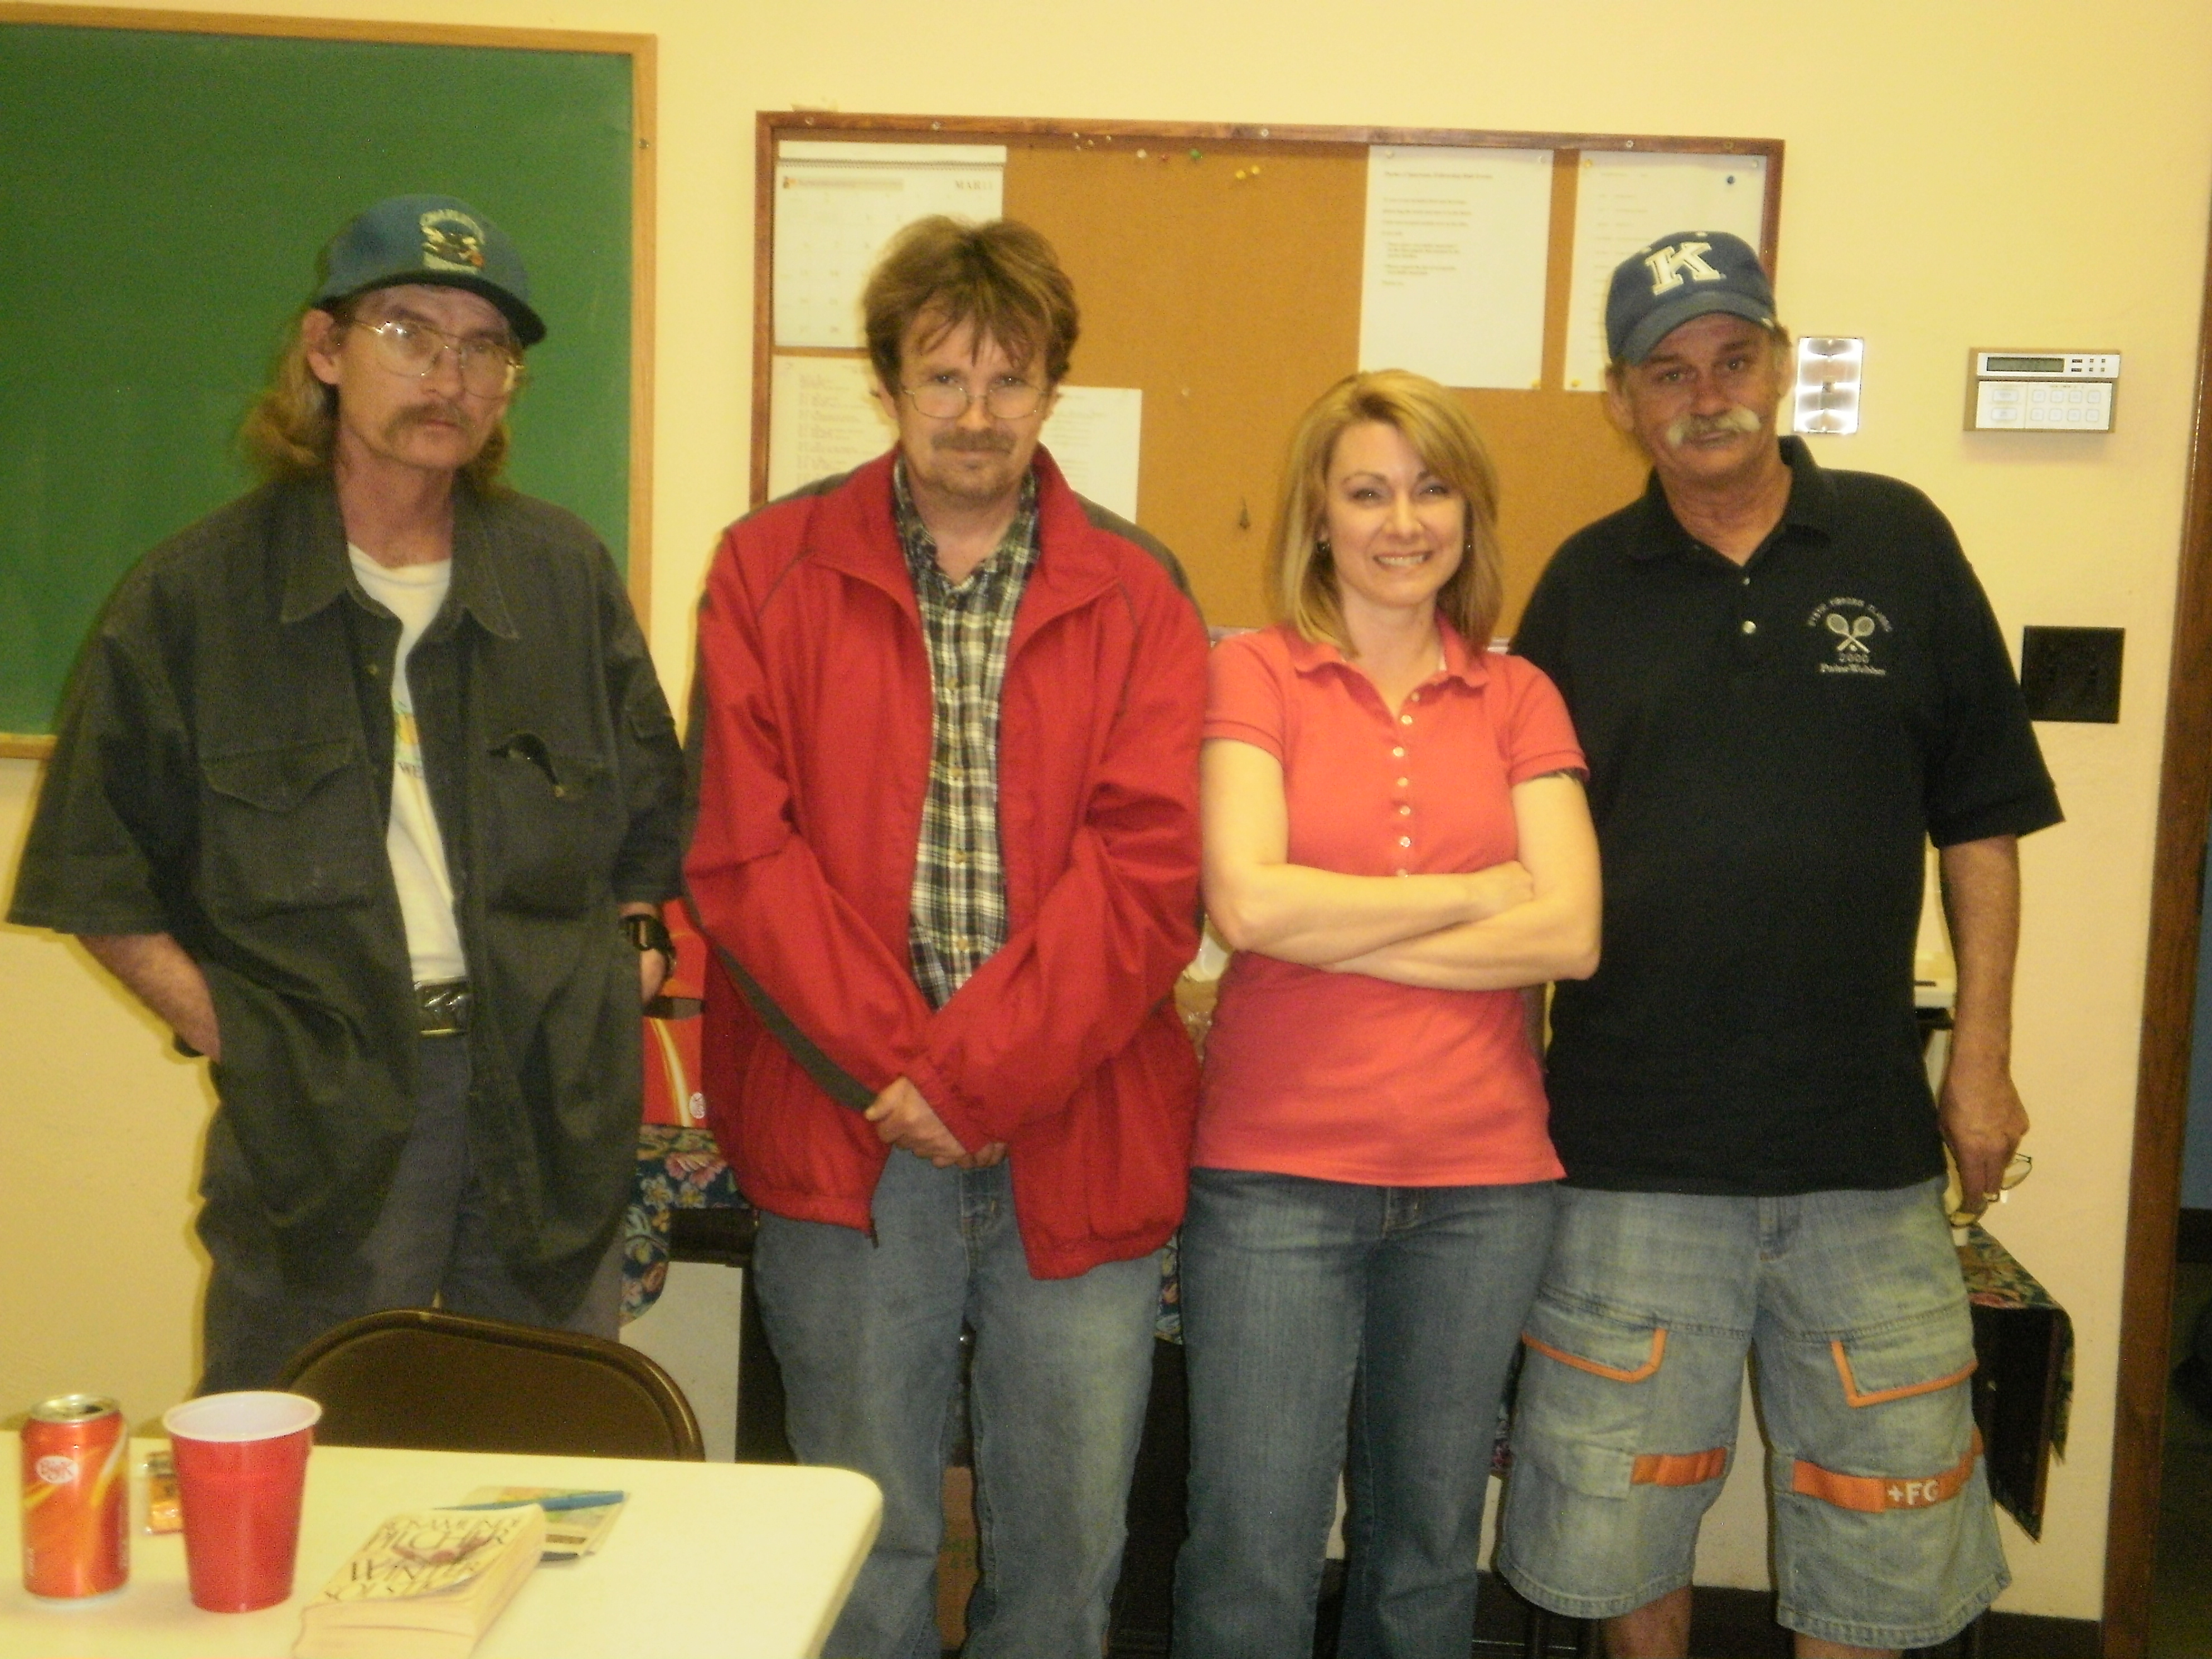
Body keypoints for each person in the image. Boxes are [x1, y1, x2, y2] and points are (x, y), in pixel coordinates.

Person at [8, 195, 685, 1394]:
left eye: (486, 349)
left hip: (546, 1089)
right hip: (326, 1107)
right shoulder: (195, 599)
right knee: (299, 1461)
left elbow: (653, 810)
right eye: (408, 333)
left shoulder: (562, 574)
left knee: (542, 1460)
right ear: (325, 352)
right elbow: (92, 873)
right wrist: (240, 1033)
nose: (449, 376)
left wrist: (632, 948)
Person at [1497, 231, 2063, 1658]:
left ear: (1782, 360)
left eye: (1733, 357)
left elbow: (1981, 823)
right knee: (1618, 1518)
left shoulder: (1902, 539)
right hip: (1630, 1148)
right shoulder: (1577, 588)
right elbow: (1525, 867)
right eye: (1666, 371)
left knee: (1886, 1525)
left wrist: (1981, 1063)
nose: (1707, 394)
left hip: (1861, 1149)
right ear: (1622, 401)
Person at [685, 215, 1207, 1659]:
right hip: (848, 1140)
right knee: (866, 1549)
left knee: (1065, 1553)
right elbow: (740, 852)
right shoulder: (766, 569)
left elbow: (1153, 873)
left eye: (1010, 379)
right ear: (888, 383)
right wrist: (904, 1073)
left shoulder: (1142, 588)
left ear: (1053, 392)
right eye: (943, 378)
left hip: (1076, 1130)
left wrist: (974, 1079)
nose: (978, 415)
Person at [1173, 370, 1601, 1659]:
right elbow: (1246, 905)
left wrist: (1340, 927)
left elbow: (1570, 937)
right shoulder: (1248, 674)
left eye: (1429, 489)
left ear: (1468, 513)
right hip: (1273, 1183)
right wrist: (1473, 895)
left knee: (1423, 1558)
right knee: (1251, 1545)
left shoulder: (1520, 696)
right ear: (1319, 513)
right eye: (1366, 491)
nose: (1400, 521)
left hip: (1482, 1191)